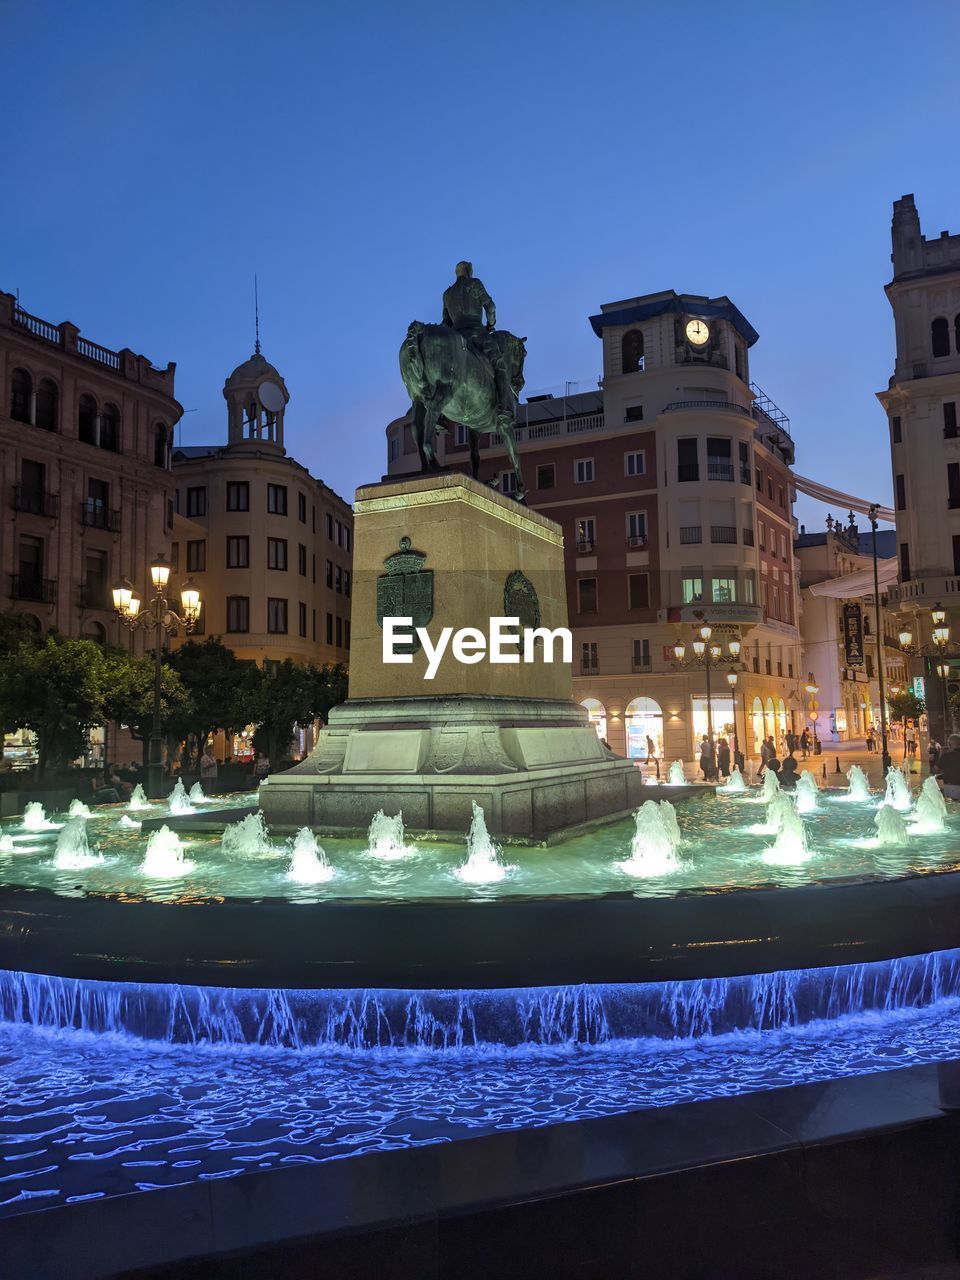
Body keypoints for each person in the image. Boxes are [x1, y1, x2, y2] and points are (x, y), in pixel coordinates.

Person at [442, 261, 514, 429]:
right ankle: (504, 408)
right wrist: (490, 324)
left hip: (456, 337)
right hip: (476, 333)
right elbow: (491, 306)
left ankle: (438, 414)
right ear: (468, 271)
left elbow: (445, 322)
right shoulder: (474, 283)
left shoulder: (447, 294)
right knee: (500, 365)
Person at [935, 734, 960, 800]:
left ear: (949, 744)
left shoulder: (946, 756)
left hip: (951, 788)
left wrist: (940, 755)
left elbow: (936, 770)